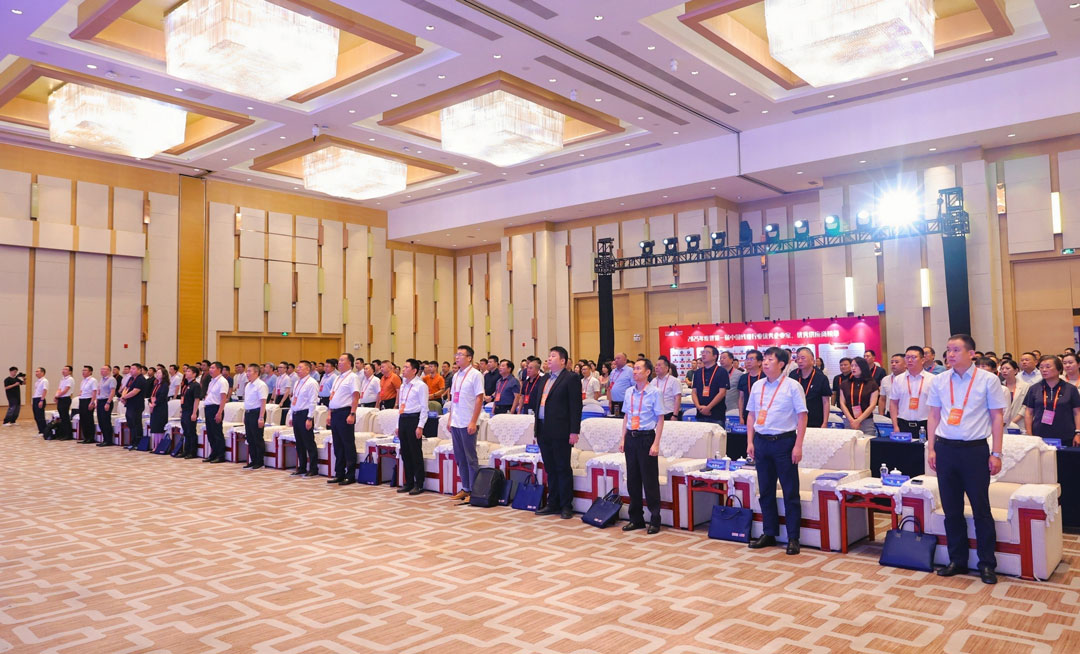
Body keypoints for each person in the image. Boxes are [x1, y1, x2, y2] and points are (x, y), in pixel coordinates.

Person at [927, 334, 1006, 584]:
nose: (950, 354)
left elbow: (997, 417)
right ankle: (957, 560)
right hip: (945, 449)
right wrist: (931, 449)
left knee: (981, 509)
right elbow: (933, 415)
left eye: (956, 350)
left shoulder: (988, 380)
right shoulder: (939, 380)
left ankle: (987, 564)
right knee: (951, 509)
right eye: (948, 350)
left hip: (975, 451)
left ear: (971, 353)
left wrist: (996, 453)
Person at [746, 346, 807, 555]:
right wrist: (750, 441)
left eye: (770, 360)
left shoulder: (793, 386)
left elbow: (802, 416)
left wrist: (798, 445)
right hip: (761, 442)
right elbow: (751, 415)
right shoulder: (757, 386)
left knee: (790, 492)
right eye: (764, 359)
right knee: (765, 490)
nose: (765, 362)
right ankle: (769, 533)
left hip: (784, 442)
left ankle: (793, 538)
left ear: (781, 364)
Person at [529, 346, 582, 519]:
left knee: (562, 468)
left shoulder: (571, 378)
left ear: (563, 361)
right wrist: (536, 430)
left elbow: (576, 407)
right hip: (543, 429)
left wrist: (574, 431)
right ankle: (553, 503)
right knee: (550, 468)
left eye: (553, 356)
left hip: (561, 431)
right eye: (549, 356)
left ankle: (566, 505)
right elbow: (538, 403)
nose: (549, 359)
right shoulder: (544, 379)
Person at [621, 358, 665, 534]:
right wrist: (623, 439)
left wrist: (656, 443)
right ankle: (636, 519)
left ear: (647, 372)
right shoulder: (629, 392)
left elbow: (660, 419)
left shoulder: (655, 392)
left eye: (639, 369)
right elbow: (626, 416)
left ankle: (655, 519)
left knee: (649, 480)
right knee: (633, 480)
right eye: (634, 369)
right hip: (631, 438)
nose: (635, 371)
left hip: (647, 438)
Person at [446, 346, 485, 503]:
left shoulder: (476, 375)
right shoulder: (456, 376)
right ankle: (465, 487)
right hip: (456, 421)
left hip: (468, 421)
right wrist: (450, 419)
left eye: (461, 355)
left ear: (469, 358)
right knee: (460, 457)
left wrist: (473, 421)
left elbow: (479, 398)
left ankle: (474, 491)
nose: (457, 357)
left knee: (470, 458)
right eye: (456, 354)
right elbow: (453, 400)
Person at [1024, 355, 1080, 444]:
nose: (1044, 370)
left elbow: (1077, 412)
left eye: (1048, 367)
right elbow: (1028, 412)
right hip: (1039, 435)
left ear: (1059, 369)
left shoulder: (1070, 389)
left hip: (1066, 435)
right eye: (1041, 367)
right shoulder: (1034, 388)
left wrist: (1078, 433)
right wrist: (1029, 434)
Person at [396, 358, 430, 495]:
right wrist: (397, 425)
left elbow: (424, 408)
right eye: (403, 367)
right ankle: (408, 482)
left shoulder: (421, 386)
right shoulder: (403, 385)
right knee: (405, 452)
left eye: (406, 367)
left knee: (415, 453)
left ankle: (419, 483)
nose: (403, 370)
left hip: (414, 419)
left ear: (414, 370)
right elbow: (400, 406)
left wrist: (420, 426)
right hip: (403, 419)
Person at [327, 353, 360, 486]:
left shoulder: (353, 377)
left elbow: (355, 396)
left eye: (342, 360)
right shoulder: (337, 378)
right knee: (338, 445)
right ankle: (339, 473)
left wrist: (352, 413)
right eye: (339, 360)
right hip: (335, 413)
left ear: (349, 363)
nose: (339, 362)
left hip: (345, 413)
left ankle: (350, 475)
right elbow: (332, 397)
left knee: (348, 445)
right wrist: (329, 414)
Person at [889, 346, 934, 438]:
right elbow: (893, 403)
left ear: (922, 360)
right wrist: (895, 426)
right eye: (907, 357)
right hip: (903, 424)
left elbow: (936, 407)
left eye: (913, 357)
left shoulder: (933, 379)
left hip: (925, 424)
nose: (909, 360)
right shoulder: (898, 379)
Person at [285, 362, 316, 476]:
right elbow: (294, 399)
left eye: (300, 368)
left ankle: (313, 468)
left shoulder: (312, 383)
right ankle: (302, 467)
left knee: (308, 442)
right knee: (299, 442)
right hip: (296, 414)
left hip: (305, 414)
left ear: (307, 369)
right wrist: (291, 415)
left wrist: (310, 418)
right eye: (297, 367)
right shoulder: (297, 382)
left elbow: (313, 402)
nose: (297, 369)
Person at [789, 347, 830, 429]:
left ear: (812, 360)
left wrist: (825, 422)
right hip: (796, 420)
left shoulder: (821, 377)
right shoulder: (793, 375)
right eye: (798, 358)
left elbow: (826, 402)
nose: (800, 361)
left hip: (815, 420)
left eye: (803, 358)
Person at [840, 357, 879, 436]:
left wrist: (858, 420)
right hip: (849, 420)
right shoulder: (845, 383)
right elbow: (842, 403)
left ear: (863, 367)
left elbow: (872, 405)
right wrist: (851, 420)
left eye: (856, 366)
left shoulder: (871, 384)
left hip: (866, 421)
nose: (853, 368)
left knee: (866, 442)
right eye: (852, 366)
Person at [241, 363, 270, 470]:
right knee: (250, 438)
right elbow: (247, 402)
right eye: (247, 371)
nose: (247, 373)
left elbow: (263, 402)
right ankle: (253, 460)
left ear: (256, 373)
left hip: (257, 413)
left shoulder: (261, 385)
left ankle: (260, 461)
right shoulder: (248, 385)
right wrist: (245, 415)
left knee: (257, 438)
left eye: (249, 371)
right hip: (248, 413)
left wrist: (261, 417)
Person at [692, 345, 729, 423]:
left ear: (714, 356)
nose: (703, 354)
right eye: (703, 352)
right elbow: (694, 392)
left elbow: (722, 393)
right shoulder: (698, 372)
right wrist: (698, 407)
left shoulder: (722, 371)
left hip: (716, 414)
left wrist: (708, 408)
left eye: (707, 352)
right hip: (700, 413)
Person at [201, 362, 229, 463]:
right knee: (210, 433)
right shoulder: (212, 381)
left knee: (217, 433)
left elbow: (223, 398)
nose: (210, 370)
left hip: (216, 408)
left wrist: (219, 412)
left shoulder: (222, 381)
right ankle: (214, 453)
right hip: (208, 408)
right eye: (210, 368)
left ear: (219, 369)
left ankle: (220, 455)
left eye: (213, 368)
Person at [177, 367, 202, 459]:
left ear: (194, 374)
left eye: (188, 371)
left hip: (191, 410)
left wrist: (194, 413)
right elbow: (182, 399)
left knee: (191, 431)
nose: (186, 373)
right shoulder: (185, 385)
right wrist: (181, 411)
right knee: (186, 431)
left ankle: (192, 452)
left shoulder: (196, 385)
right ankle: (186, 450)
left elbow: (196, 399)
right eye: (186, 371)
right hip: (185, 410)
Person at [999, 359, 1030, 430]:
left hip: (1019, 422)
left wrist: (1013, 422)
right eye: (1002, 369)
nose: (1004, 371)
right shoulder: (999, 386)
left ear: (1016, 371)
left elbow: (1025, 406)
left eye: (1007, 368)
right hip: (1002, 424)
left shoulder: (1025, 386)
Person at [737, 350, 764, 424]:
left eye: (751, 359)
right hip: (747, 414)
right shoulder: (743, 377)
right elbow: (741, 398)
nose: (748, 361)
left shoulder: (765, 377)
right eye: (747, 359)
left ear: (759, 362)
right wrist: (740, 416)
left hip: (762, 413)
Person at [147, 365, 169, 447]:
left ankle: (159, 446)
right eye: (157, 373)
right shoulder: (156, 384)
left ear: (164, 375)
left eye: (159, 373)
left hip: (160, 407)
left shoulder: (165, 385)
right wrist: (150, 402)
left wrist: (154, 403)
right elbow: (152, 395)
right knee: (155, 427)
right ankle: (155, 445)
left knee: (159, 427)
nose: (157, 374)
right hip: (154, 407)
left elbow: (162, 396)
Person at [75, 365, 98, 444]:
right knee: (83, 419)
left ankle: (90, 438)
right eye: (83, 370)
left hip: (88, 400)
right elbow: (82, 391)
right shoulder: (83, 381)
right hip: (82, 400)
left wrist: (92, 402)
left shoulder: (93, 380)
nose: (83, 372)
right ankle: (85, 437)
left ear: (90, 372)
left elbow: (94, 392)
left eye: (85, 370)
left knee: (88, 419)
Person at [95, 366, 116, 447]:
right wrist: (97, 401)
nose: (102, 371)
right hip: (100, 401)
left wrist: (108, 402)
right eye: (101, 369)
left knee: (105, 421)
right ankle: (104, 439)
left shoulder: (111, 379)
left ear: (109, 371)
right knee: (100, 421)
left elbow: (112, 392)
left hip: (106, 401)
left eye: (104, 369)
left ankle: (108, 440)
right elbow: (99, 391)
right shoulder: (101, 379)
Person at [608, 353, 632, 418]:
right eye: (615, 359)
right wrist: (609, 402)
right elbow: (610, 387)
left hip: (625, 402)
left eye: (618, 358)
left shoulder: (630, 371)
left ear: (625, 360)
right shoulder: (613, 372)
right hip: (614, 402)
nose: (616, 360)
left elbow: (634, 387)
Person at [54, 365, 73, 440]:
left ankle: (68, 435)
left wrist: (58, 396)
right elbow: (59, 389)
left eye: (66, 369)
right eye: (63, 369)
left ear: (70, 371)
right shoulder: (62, 379)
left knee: (65, 417)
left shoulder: (70, 379)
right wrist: (56, 396)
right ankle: (63, 433)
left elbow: (66, 390)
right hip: (61, 398)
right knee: (62, 417)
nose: (63, 370)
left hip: (66, 399)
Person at [720, 351, 742, 417]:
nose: (721, 360)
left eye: (724, 358)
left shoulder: (739, 374)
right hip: (718, 408)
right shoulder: (717, 374)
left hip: (733, 409)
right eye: (720, 358)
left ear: (731, 360)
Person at [31, 367, 48, 436]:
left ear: (42, 373)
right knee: (36, 416)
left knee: (40, 416)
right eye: (36, 371)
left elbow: (45, 390)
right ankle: (40, 431)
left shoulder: (44, 381)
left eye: (38, 371)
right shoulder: (37, 381)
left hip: (40, 399)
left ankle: (44, 431)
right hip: (35, 399)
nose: (36, 373)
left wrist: (41, 400)